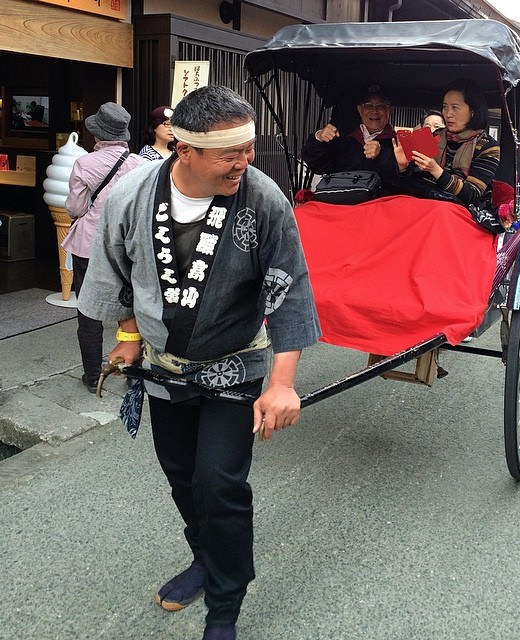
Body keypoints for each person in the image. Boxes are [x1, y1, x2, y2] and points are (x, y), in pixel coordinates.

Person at [77, 85, 320, 640]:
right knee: (182, 477)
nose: (245, 162)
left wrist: (282, 383)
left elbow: (291, 286)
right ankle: (204, 558)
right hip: (164, 367)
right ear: (183, 149)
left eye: (248, 148)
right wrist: (128, 333)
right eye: (230, 153)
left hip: (233, 368)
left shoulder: (262, 199)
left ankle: (226, 603)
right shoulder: (130, 195)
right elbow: (116, 271)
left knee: (219, 482)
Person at [62, 102, 144, 393]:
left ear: (97, 135)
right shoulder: (140, 165)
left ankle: (93, 373)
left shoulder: (85, 164)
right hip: (127, 245)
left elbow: (74, 206)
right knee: (133, 304)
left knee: (88, 310)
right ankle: (135, 371)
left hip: (89, 245)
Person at [391, 78, 500, 207]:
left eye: (455, 108)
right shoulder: (433, 136)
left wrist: (436, 170)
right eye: (445, 107)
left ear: (473, 111)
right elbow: (414, 179)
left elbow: (472, 195)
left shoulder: (488, 147)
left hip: (459, 211)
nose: (448, 114)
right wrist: (403, 167)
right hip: (423, 201)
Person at [300, 87, 398, 177]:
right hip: (341, 193)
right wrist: (319, 138)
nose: (375, 111)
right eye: (368, 105)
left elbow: (403, 182)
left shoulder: (398, 143)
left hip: (383, 196)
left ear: (390, 110)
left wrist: (381, 155)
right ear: (360, 110)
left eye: (381, 106)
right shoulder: (342, 137)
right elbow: (319, 167)